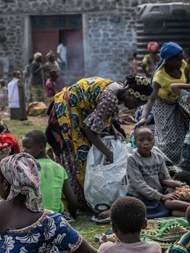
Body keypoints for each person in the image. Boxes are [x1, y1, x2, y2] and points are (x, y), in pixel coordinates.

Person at [46, 75, 153, 208]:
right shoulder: (110, 98)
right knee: (80, 153)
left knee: (90, 148)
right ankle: (77, 200)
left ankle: (81, 197)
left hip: (79, 108)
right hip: (68, 109)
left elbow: (102, 115)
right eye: (135, 103)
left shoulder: (118, 90)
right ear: (130, 93)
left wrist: (113, 129)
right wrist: (108, 154)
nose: (133, 108)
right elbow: (89, 131)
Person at [135, 42, 190, 164]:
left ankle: (183, 162)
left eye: (182, 59)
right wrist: (144, 117)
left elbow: (187, 82)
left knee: (185, 130)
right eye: (178, 60)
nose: (181, 62)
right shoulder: (159, 77)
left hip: (179, 101)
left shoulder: (182, 65)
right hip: (163, 104)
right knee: (168, 138)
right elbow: (151, 100)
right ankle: (164, 163)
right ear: (168, 60)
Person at [127, 127, 190, 218]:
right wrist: (161, 196)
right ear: (135, 142)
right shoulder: (132, 160)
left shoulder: (159, 157)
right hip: (140, 196)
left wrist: (169, 192)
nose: (146, 143)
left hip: (158, 196)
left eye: (149, 139)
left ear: (154, 141)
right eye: (141, 140)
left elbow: (166, 179)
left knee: (169, 206)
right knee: (144, 211)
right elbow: (139, 184)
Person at [22, 130, 78, 218]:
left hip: (30, 217)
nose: (24, 151)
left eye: (28, 148)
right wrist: (73, 216)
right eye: (23, 148)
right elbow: (72, 200)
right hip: (54, 217)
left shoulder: (27, 167)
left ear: (41, 147)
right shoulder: (59, 168)